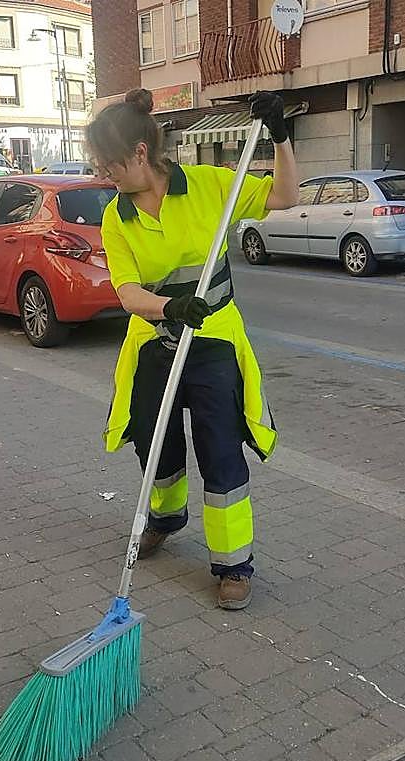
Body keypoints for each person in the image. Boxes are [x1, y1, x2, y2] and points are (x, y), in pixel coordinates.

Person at [88, 88, 298, 610]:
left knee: (218, 446)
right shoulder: (118, 216)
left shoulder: (208, 185)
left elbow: (285, 197)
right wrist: (168, 309)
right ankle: (166, 515)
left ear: (140, 153)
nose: (105, 176)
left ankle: (233, 564)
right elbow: (126, 290)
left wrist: (281, 138)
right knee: (152, 439)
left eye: (110, 165)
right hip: (155, 339)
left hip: (213, 340)